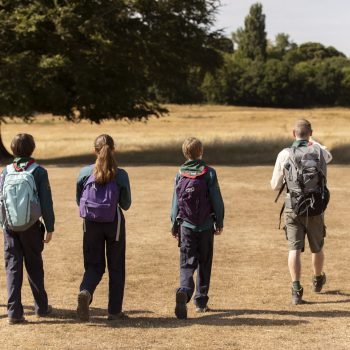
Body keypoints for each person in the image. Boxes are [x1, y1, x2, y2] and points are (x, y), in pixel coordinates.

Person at [271, 119, 332, 305]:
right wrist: (316, 143)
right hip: (316, 206)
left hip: (293, 206)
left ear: (293, 133)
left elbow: (275, 186)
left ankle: (296, 289)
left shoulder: (284, 154)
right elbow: (329, 156)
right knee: (317, 246)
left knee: (294, 249)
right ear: (310, 132)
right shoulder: (320, 151)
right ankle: (317, 278)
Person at [0, 133, 55, 324]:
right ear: (32, 148)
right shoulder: (38, 171)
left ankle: (14, 313)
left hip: (10, 227)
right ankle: (41, 307)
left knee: (13, 268)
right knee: (34, 266)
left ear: (13, 149)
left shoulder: (5, 171)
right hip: (31, 226)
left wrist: (3, 224)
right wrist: (50, 227)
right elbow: (46, 203)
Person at [76, 134, 131, 321]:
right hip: (113, 224)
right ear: (113, 150)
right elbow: (126, 204)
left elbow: (79, 201)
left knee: (94, 265)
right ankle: (114, 311)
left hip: (90, 224)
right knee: (116, 267)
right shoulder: (120, 174)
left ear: (95, 150)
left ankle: (86, 292)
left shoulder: (84, 173)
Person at [171, 137, 224, 319]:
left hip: (186, 225)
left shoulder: (180, 174)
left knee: (187, 262)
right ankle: (201, 301)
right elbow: (216, 199)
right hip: (206, 225)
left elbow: (175, 202)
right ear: (201, 151)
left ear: (185, 153)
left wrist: (174, 224)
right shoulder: (209, 173)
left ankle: (184, 291)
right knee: (205, 262)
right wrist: (220, 221)